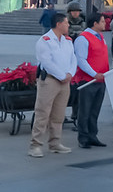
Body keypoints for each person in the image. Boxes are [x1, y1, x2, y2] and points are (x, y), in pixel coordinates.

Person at [29, 13, 76, 158]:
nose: (68, 25)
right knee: (42, 113)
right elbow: (47, 62)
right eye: (66, 23)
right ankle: (35, 145)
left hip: (65, 82)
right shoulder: (45, 41)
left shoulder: (68, 41)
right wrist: (62, 76)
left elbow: (73, 59)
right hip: (49, 80)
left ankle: (55, 143)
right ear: (58, 24)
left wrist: (69, 74)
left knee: (59, 114)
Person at [73, 12, 108, 149]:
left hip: (101, 80)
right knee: (85, 110)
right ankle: (83, 137)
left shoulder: (100, 37)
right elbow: (81, 60)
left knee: (95, 110)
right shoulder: (83, 38)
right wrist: (94, 74)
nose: (105, 24)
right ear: (95, 23)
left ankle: (93, 135)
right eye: (103, 21)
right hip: (88, 81)